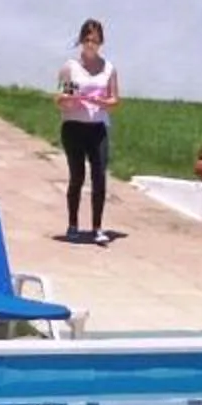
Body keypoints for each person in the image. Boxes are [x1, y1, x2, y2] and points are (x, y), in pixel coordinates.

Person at [56, 18, 119, 242]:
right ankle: (73, 224)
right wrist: (71, 99)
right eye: (87, 40)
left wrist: (102, 102)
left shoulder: (108, 69)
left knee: (99, 176)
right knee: (77, 176)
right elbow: (62, 98)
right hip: (74, 126)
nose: (91, 44)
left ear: (101, 42)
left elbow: (114, 100)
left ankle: (97, 227)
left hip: (97, 127)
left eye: (95, 40)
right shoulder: (71, 68)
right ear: (82, 41)